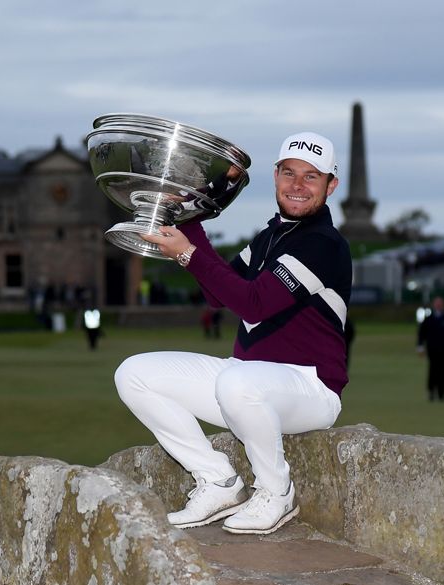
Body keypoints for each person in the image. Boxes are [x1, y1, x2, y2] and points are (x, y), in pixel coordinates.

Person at [115, 132, 352, 535]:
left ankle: (277, 492)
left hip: (310, 389)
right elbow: (217, 292)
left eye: (311, 177)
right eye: (289, 173)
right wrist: (189, 220)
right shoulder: (269, 238)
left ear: (331, 186)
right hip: (247, 382)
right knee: (133, 373)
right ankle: (218, 481)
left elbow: (253, 304)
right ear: (276, 176)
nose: (298, 185)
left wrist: (187, 253)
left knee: (238, 381)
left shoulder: (324, 244)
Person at [417, 296, 444, 401]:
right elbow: (421, 334)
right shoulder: (428, 319)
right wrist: (420, 346)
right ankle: (431, 392)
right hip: (432, 349)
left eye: (440, 303)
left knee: (442, 372)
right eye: (436, 303)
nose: (438, 305)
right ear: (434, 305)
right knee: (433, 370)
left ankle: (441, 393)